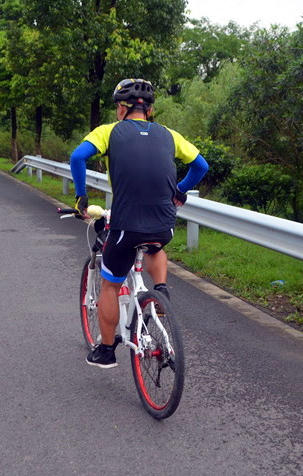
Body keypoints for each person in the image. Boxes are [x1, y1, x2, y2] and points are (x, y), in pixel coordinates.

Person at [69, 78, 209, 368]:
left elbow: (77, 158)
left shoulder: (108, 131)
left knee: (110, 284)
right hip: (163, 221)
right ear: (150, 110)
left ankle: (106, 350)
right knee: (155, 246)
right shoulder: (170, 134)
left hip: (126, 222)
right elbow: (201, 166)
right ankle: (160, 290)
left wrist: (81, 198)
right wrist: (178, 192)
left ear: (121, 108)